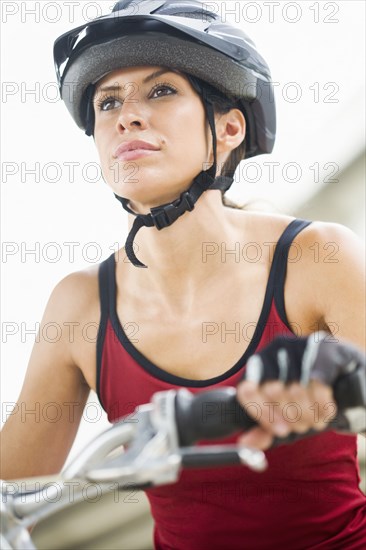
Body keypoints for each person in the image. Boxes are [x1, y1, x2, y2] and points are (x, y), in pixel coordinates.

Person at [1, 0, 365, 548]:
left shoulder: (317, 255)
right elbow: (12, 490)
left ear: (229, 128)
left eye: (162, 90)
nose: (126, 115)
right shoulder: (81, 305)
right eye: (108, 102)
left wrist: (341, 377)